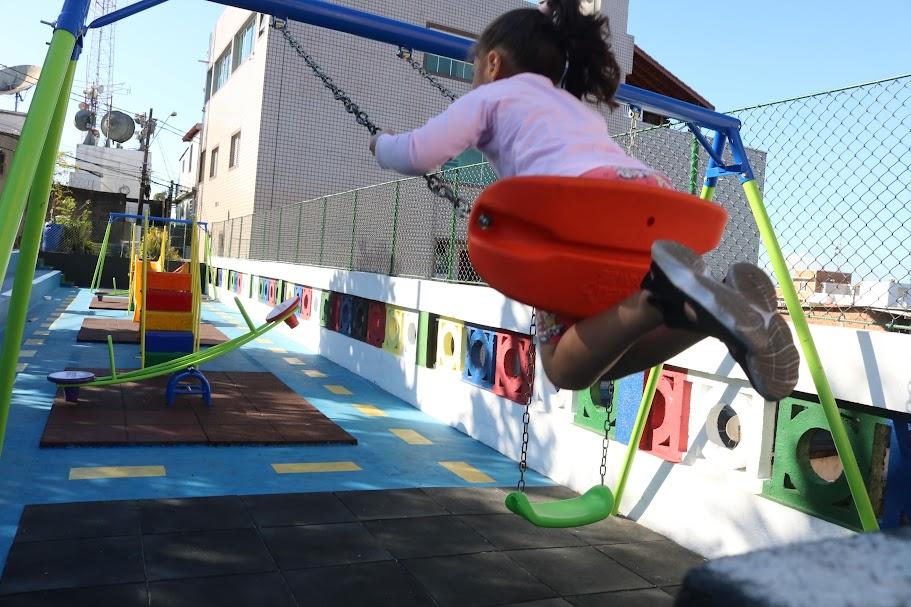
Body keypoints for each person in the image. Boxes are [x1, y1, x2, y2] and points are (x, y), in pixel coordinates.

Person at [370, 0, 799, 401]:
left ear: (494, 62)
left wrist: (381, 144)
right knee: (606, 356)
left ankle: (660, 295)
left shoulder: (490, 95)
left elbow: (417, 154)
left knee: (562, 367)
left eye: (475, 67)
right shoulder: (571, 106)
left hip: (579, 219)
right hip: (650, 203)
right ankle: (714, 305)